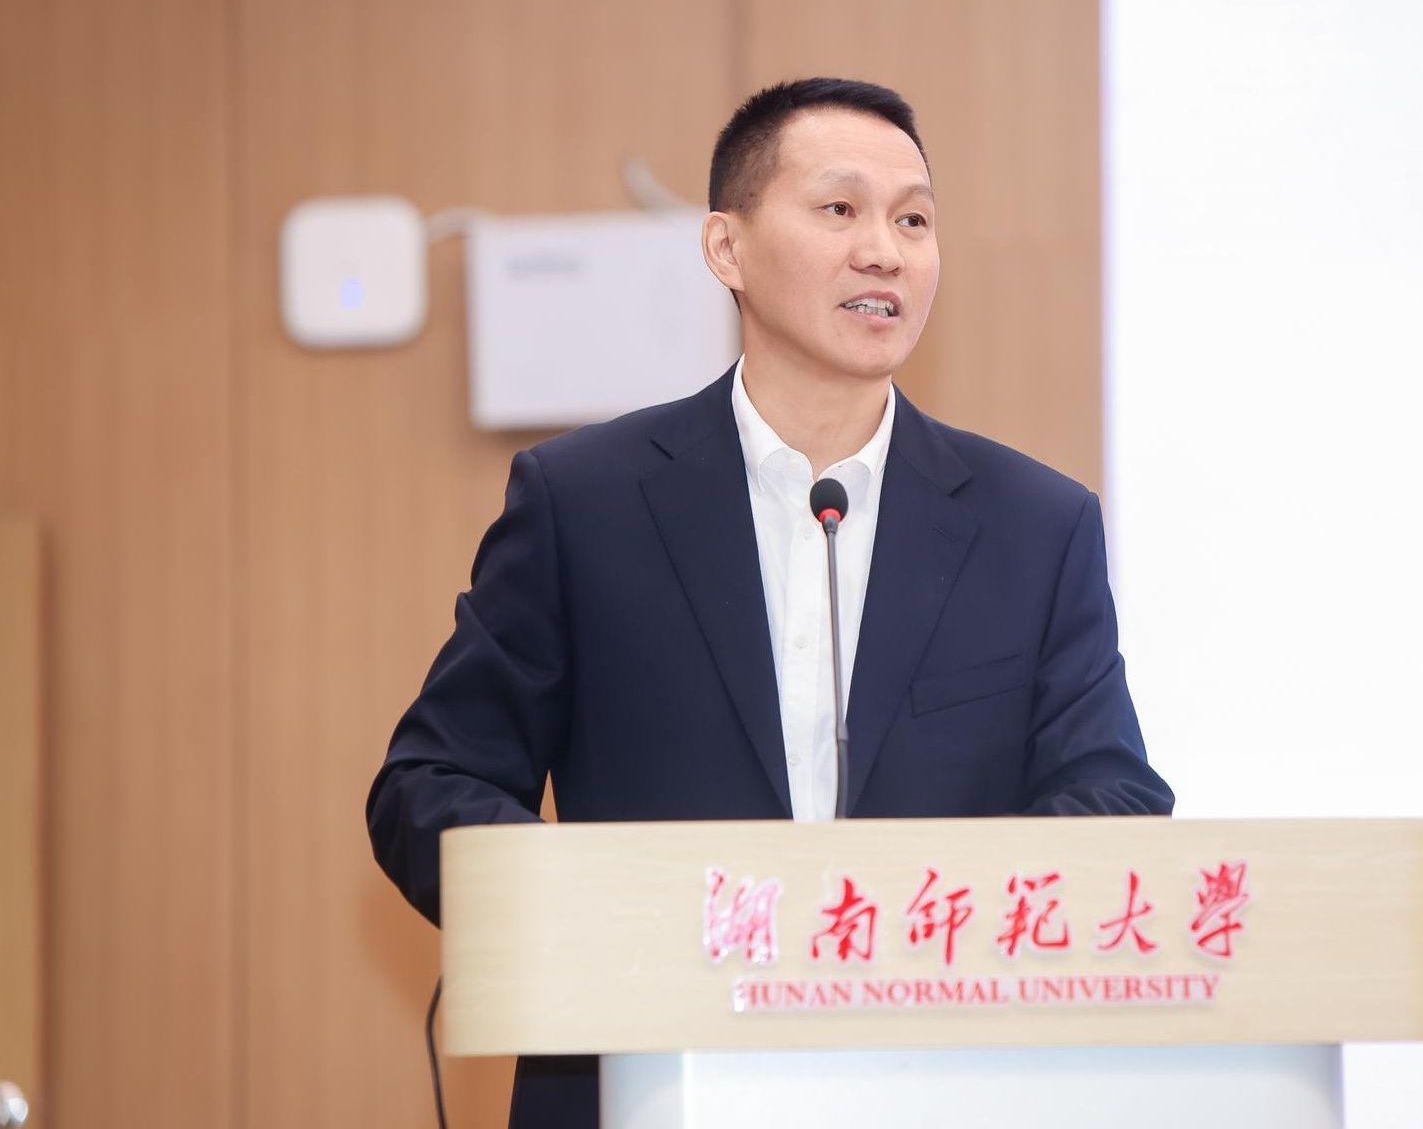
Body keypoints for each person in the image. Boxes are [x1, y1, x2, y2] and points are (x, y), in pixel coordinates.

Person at [366, 77, 1173, 1128]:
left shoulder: (1036, 523)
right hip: (647, 1075)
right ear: (726, 247)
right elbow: (431, 784)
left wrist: (916, 918)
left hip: (947, 1082)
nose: (885, 251)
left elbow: (1113, 798)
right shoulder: (586, 502)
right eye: (839, 209)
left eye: (914, 220)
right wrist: (605, 907)